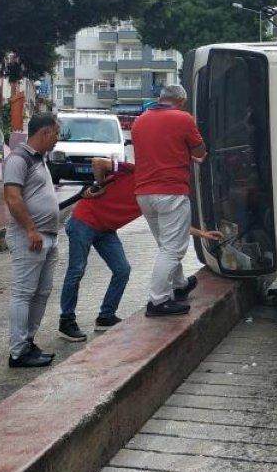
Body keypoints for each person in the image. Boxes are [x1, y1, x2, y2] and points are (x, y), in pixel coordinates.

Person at [57, 157, 225, 341]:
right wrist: (99, 185)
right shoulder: (135, 170)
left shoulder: (154, 196)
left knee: (122, 270)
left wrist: (202, 234)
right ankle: (66, 321)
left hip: (106, 229)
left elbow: (172, 225)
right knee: (76, 270)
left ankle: (106, 316)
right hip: (83, 221)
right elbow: (98, 162)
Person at [131, 84, 207, 317]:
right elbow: (200, 151)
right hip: (171, 192)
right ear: (181, 101)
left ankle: (180, 284)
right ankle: (158, 301)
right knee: (173, 249)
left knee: (166, 245)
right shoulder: (183, 119)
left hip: (144, 193)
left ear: (161, 98)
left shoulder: (139, 121)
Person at [2, 112, 61, 368]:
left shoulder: (40, 159)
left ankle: (28, 341)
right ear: (45, 132)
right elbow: (13, 198)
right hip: (30, 236)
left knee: (42, 292)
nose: (57, 139)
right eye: (56, 133)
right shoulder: (18, 158)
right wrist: (30, 229)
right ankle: (18, 352)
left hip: (47, 236)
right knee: (24, 293)